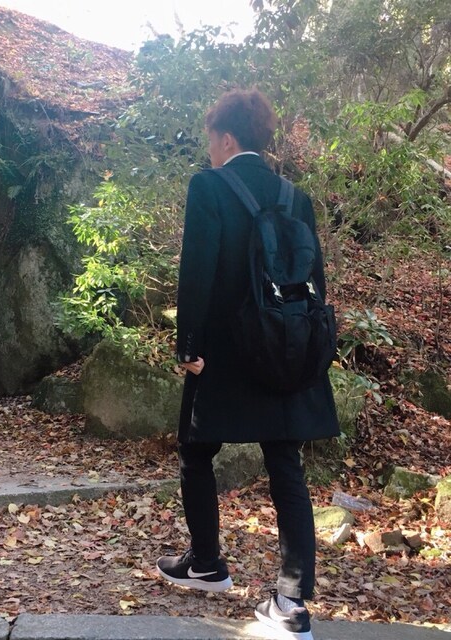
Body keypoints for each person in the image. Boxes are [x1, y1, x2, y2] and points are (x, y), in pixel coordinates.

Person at [156, 88, 340, 640]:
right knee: (286, 466)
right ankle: (291, 602)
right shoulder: (294, 196)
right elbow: (314, 281)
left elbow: (197, 271)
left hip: (224, 352)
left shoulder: (209, 186)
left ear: (227, 138)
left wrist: (188, 346)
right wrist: (306, 345)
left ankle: (207, 564)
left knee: (196, 451)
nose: (209, 150)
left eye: (211, 139)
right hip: (284, 349)